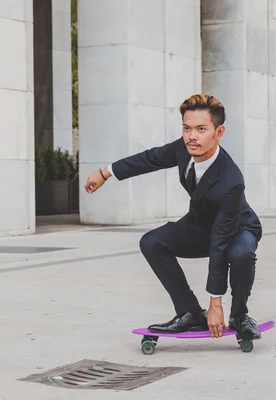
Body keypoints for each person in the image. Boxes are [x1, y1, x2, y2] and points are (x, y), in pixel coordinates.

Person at [84, 94, 263, 341]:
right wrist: (105, 173)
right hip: (201, 224)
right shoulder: (183, 148)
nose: (192, 136)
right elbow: (150, 158)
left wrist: (216, 302)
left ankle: (240, 315)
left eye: (201, 129)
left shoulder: (231, 181)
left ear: (219, 132)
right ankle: (189, 312)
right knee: (152, 242)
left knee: (239, 253)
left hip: (237, 228)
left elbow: (221, 239)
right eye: (187, 128)